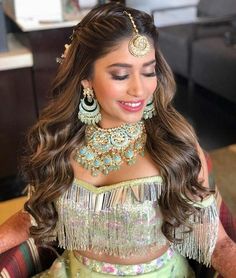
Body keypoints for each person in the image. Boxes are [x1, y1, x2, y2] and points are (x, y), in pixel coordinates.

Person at [0, 2, 236, 277]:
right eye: (121, 74)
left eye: (149, 71)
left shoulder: (175, 147)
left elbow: (217, 244)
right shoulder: (57, 143)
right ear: (86, 79)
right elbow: (35, 216)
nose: (140, 89)